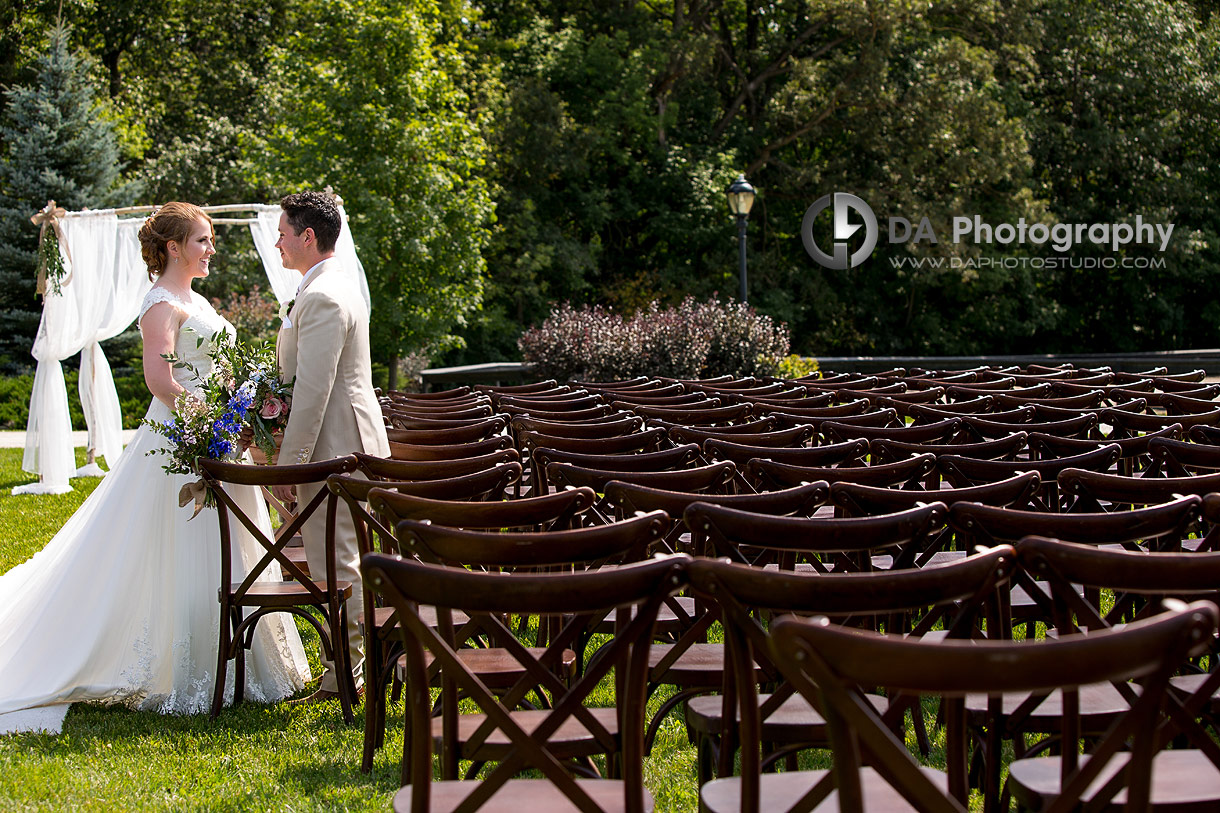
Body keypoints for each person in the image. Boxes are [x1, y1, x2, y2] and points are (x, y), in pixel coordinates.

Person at [0, 202, 310, 735]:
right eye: (202, 241)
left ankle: (241, 663)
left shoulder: (197, 300)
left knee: (233, 547)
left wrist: (240, 412)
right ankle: (184, 671)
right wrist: (208, 424)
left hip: (220, 441)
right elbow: (161, 381)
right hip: (181, 444)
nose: (211, 249)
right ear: (173, 248)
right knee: (179, 548)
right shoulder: (160, 306)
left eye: (211, 240)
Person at [271, 191, 389, 704]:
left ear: (307, 236)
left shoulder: (322, 296)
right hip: (346, 436)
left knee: (338, 562)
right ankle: (345, 668)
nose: (276, 242)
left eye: (281, 233)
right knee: (339, 558)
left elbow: (314, 393)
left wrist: (286, 469)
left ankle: (348, 675)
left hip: (337, 443)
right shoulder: (329, 284)